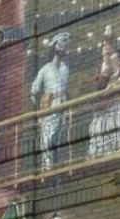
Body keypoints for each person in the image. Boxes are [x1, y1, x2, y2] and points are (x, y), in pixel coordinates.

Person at [88, 39, 120, 157]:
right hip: (106, 108)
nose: (113, 60)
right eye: (104, 46)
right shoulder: (104, 72)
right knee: (100, 128)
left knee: (118, 127)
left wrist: (112, 87)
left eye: (115, 59)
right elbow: (100, 91)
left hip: (119, 106)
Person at [31, 32, 72, 169]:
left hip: (62, 109)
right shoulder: (45, 69)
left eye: (65, 45)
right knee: (47, 139)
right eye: (61, 44)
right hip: (49, 109)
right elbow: (34, 90)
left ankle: (56, 165)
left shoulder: (65, 68)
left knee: (58, 140)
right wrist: (40, 108)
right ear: (55, 47)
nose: (63, 47)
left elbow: (65, 88)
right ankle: (48, 166)